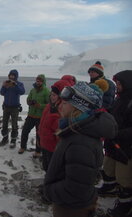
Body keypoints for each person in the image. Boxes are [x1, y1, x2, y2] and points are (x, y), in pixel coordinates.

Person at [44, 81, 117, 217]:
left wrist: (49, 190)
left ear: (78, 108)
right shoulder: (76, 131)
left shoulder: (80, 142)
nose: (59, 105)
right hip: (73, 205)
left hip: (71, 208)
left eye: (65, 103)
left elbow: (76, 189)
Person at [98, 70, 132, 217]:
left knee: (124, 177)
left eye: (119, 83)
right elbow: (113, 112)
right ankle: (109, 187)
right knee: (108, 167)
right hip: (113, 143)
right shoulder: (120, 98)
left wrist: (118, 134)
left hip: (126, 147)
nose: (117, 86)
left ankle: (125, 205)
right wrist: (103, 113)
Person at [39, 79, 71, 171]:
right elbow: (43, 123)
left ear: (60, 96)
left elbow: (60, 133)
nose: (51, 97)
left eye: (54, 95)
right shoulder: (49, 106)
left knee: (53, 169)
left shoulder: (62, 111)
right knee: (46, 167)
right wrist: (39, 136)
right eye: (51, 94)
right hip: (45, 143)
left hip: (53, 147)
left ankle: (51, 184)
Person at [18, 74, 49, 156]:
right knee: (25, 131)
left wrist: (39, 105)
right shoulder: (33, 90)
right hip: (31, 115)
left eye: (40, 81)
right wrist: (29, 102)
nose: (38, 82)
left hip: (40, 117)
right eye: (37, 80)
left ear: (43, 82)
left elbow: (49, 105)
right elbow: (28, 99)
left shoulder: (46, 91)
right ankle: (23, 147)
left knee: (39, 134)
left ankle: (38, 151)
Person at [0, 69, 25, 148]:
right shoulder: (6, 83)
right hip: (6, 107)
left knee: (14, 125)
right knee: (4, 124)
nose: (12, 77)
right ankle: (5, 138)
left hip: (15, 108)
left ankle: (13, 140)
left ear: (16, 76)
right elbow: (1, 93)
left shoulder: (19, 84)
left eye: (13, 75)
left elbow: (22, 92)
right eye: (11, 75)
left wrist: (15, 85)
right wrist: (4, 86)